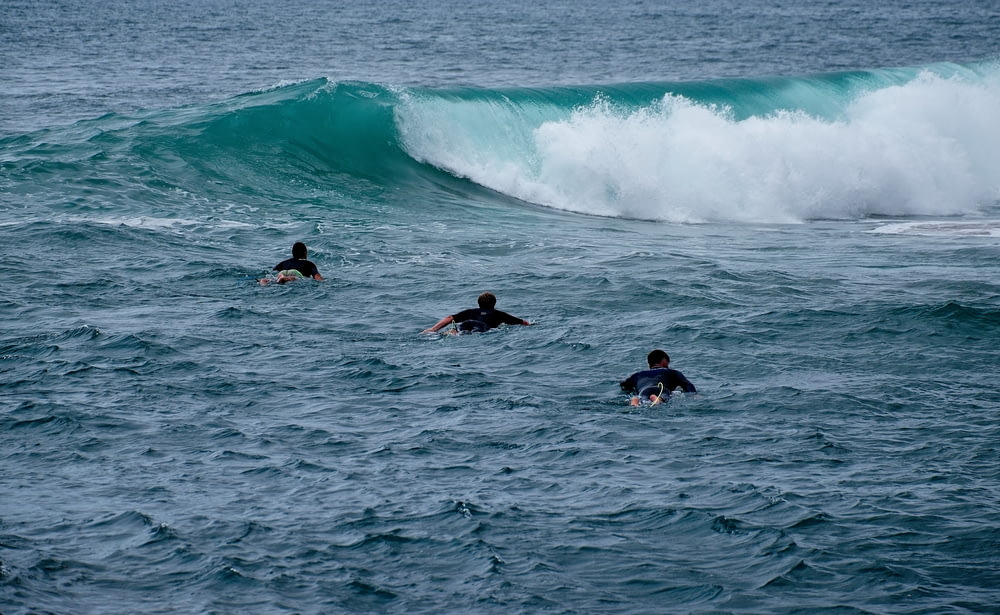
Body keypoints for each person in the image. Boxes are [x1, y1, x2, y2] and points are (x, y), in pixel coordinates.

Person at [423, 292, 531, 334]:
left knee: (457, 331)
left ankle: (451, 332)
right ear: (494, 303)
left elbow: (449, 318)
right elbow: (522, 322)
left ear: (478, 303)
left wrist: (433, 329)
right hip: (482, 327)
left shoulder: (470, 312)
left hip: (467, 323)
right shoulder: (499, 314)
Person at [620, 349, 697, 405]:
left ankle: (634, 401)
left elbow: (624, 385)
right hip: (662, 389)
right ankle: (658, 399)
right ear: (664, 362)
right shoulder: (672, 372)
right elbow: (687, 385)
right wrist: (694, 395)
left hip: (644, 390)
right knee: (664, 397)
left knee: (641, 398)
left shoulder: (637, 375)